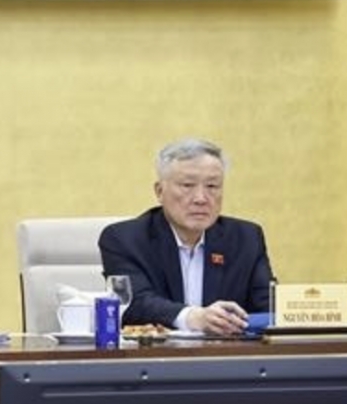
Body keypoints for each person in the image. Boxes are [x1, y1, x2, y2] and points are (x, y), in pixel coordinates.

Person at [98, 138, 273, 335]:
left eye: (212, 186)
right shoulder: (124, 239)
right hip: (155, 359)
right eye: (187, 185)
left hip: (226, 359)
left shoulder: (246, 239)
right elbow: (133, 304)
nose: (200, 198)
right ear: (159, 191)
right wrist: (193, 317)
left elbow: (269, 308)